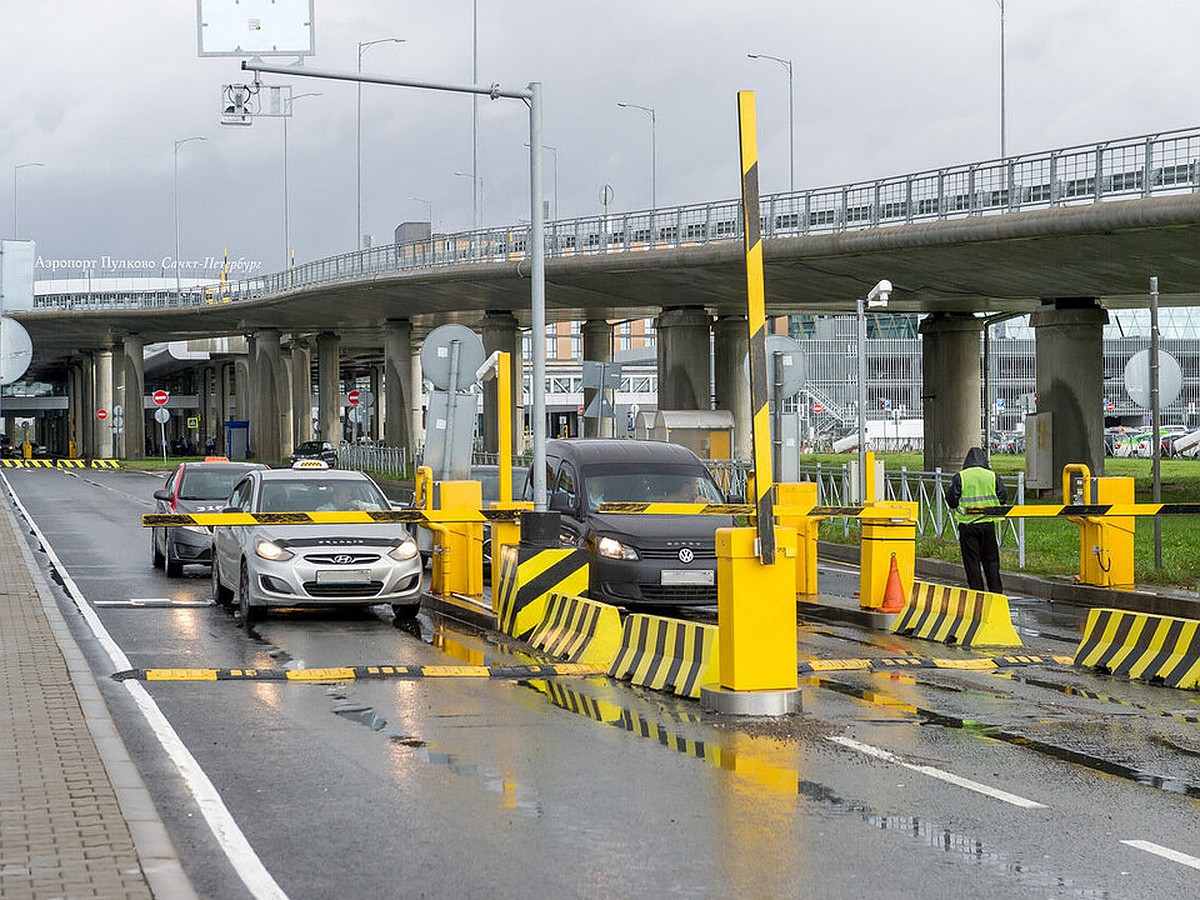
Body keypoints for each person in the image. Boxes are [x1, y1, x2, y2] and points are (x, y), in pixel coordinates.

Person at [946, 446, 1006, 593]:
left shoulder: (960, 476)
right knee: (991, 562)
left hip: (968, 526)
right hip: (988, 525)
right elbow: (1003, 497)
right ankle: (996, 594)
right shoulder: (992, 476)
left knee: (972, 563)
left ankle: (977, 594)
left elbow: (951, 501)